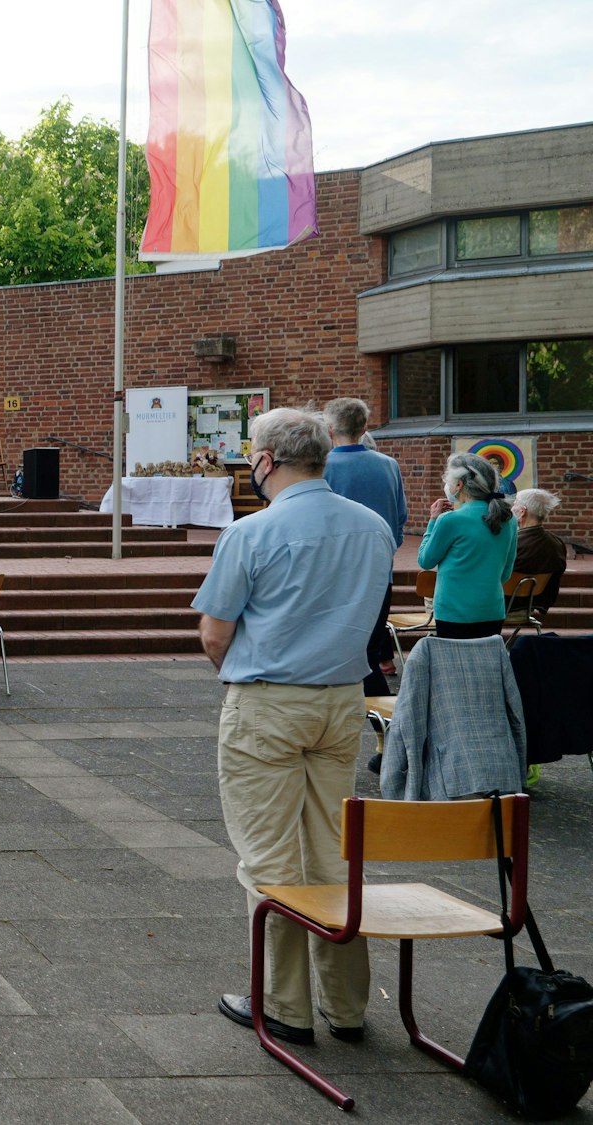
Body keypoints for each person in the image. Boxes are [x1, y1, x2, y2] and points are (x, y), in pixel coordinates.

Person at [192, 407, 394, 1046]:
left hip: (270, 701)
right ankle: (347, 1005)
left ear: (267, 460)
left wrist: (248, 675)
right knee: (333, 851)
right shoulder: (373, 528)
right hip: (340, 699)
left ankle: (283, 1005)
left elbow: (215, 633)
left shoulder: (251, 533)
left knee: (270, 857)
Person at [322, 397, 407, 694]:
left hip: (334, 571)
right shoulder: (389, 465)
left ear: (329, 428)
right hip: (379, 569)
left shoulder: (321, 466)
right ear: (365, 427)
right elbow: (400, 518)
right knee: (370, 648)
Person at [418, 452, 518, 639]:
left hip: (453, 612)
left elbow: (425, 560)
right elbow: (506, 572)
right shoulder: (509, 520)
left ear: (459, 484)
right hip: (491, 609)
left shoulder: (450, 520)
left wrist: (432, 521)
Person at [512, 488, 567, 615]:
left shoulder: (511, 542)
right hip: (533, 604)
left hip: (503, 605)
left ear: (522, 512)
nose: (511, 508)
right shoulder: (557, 544)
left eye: (514, 503)